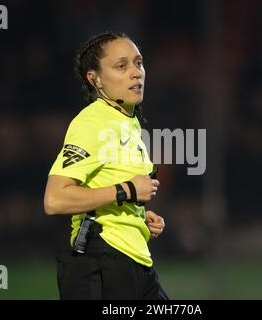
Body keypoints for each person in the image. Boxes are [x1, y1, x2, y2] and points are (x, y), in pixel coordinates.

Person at [44, 31, 169, 300]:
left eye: (138, 62)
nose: (136, 73)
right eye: (121, 66)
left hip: (133, 262)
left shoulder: (128, 121)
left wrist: (135, 214)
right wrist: (126, 190)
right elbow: (55, 199)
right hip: (100, 263)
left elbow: (104, 188)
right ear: (95, 79)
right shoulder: (93, 122)